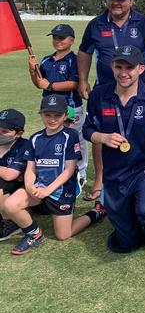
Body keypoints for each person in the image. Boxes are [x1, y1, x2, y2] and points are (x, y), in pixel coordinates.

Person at [82, 45, 145, 256]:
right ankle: (131, 218)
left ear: (141, 68)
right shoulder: (99, 95)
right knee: (126, 241)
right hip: (115, 173)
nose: (123, 73)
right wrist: (102, 137)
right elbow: (87, 129)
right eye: (119, 66)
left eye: (130, 67)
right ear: (112, 66)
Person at [78, 0, 145, 204]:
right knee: (100, 133)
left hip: (139, 88)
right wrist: (83, 79)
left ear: (131, 1)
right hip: (105, 87)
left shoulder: (143, 22)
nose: (116, 3)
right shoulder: (96, 24)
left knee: (141, 130)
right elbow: (84, 51)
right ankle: (100, 179)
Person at [0, 95, 105, 255]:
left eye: (57, 115)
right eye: (48, 115)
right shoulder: (35, 138)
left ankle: (96, 212)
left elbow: (69, 170)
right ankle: (34, 234)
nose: (52, 119)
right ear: (41, 114)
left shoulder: (70, 136)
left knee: (63, 235)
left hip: (61, 191)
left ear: (65, 116)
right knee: (10, 205)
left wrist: (48, 190)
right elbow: (30, 169)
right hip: (39, 188)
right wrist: (29, 186)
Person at [28, 24, 88, 194]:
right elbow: (40, 83)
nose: (58, 41)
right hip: (50, 108)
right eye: (55, 37)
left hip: (70, 107)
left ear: (72, 40)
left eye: (62, 38)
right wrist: (32, 70)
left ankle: (80, 172)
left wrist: (51, 85)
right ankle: (59, 171)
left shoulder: (75, 60)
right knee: (56, 139)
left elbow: (75, 83)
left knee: (76, 139)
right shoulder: (47, 60)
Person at [0, 109, 30, 241]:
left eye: (5, 131)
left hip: (23, 188)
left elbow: (10, 175)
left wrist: (6, 172)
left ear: (19, 133)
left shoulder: (24, 145)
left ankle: (10, 222)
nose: (0, 134)